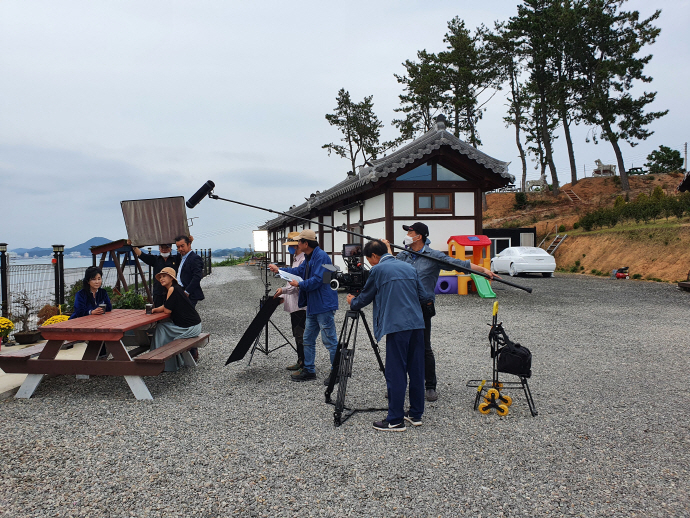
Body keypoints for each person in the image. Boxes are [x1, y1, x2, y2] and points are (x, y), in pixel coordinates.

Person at [384, 222, 498, 402]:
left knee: (423, 347)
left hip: (422, 306)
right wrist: (387, 250)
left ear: (419, 236)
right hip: (402, 306)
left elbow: (460, 264)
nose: (407, 234)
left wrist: (483, 270)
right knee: (401, 347)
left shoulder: (433, 256)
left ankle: (430, 386)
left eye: (410, 232)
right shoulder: (404, 255)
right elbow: (388, 268)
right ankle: (398, 386)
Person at [347, 239, 431, 432]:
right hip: (417, 324)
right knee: (416, 370)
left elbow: (365, 298)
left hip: (396, 326)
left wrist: (352, 301)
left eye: (370, 259)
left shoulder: (378, 270)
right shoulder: (409, 267)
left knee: (396, 372)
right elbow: (424, 296)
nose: (370, 263)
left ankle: (395, 420)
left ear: (374, 256)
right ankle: (415, 414)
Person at [267, 229, 338, 383]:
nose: (297, 245)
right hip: (314, 304)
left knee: (330, 340)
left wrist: (299, 283)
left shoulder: (321, 257)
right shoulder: (309, 256)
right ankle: (309, 370)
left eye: (299, 242)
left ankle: (336, 373)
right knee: (307, 338)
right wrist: (279, 270)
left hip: (324, 304)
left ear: (306, 243)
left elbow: (318, 280)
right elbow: (298, 270)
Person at [150, 267, 202, 372]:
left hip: (190, 328)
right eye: (160, 277)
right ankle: (164, 362)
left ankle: (156, 361)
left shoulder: (172, 289)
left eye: (164, 276)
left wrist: (158, 309)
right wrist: (155, 310)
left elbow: (167, 311)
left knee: (161, 328)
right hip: (194, 325)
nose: (161, 279)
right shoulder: (176, 288)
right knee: (163, 328)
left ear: (171, 278)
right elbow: (166, 306)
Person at [273, 232, 307, 373]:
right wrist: (284, 293)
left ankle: (305, 363)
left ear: (297, 245)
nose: (290, 249)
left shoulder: (303, 260)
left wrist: (284, 291)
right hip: (294, 303)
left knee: (301, 334)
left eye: (291, 246)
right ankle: (300, 360)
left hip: (300, 304)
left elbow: (296, 283)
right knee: (297, 333)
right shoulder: (295, 259)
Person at [175, 235, 205, 362]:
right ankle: (185, 350)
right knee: (182, 321)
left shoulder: (195, 258)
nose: (180, 249)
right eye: (178, 247)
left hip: (189, 294)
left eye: (182, 246)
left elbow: (198, 276)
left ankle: (193, 351)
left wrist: (187, 291)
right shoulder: (180, 258)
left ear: (189, 245)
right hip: (180, 293)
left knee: (188, 322)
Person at [128, 240, 179, 307]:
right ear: (159, 249)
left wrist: (189, 241)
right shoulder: (155, 259)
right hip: (158, 292)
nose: (164, 250)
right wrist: (132, 245)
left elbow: (186, 253)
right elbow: (142, 255)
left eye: (166, 248)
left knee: (174, 311)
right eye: (162, 248)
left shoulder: (176, 259)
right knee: (159, 312)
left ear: (170, 249)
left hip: (173, 291)